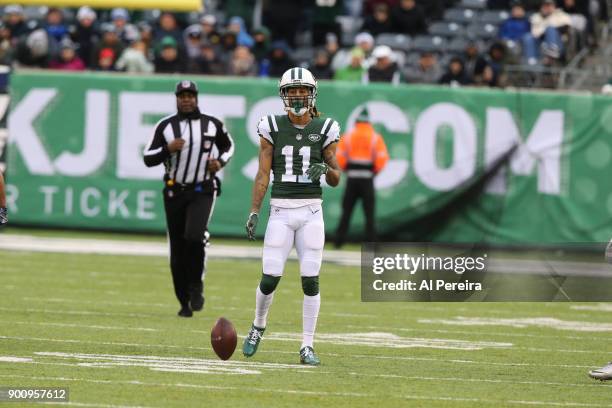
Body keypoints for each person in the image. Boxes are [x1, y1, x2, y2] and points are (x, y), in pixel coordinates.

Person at [243, 67, 341, 365]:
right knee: (270, 278)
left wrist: (326, 169)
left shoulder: (326, 128)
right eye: (292, 91)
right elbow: (262, 174)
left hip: (312, 212)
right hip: (281, 212)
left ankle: (307, 345)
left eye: (302, 91)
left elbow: (337, 177)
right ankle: (258, 325)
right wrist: (255, 210)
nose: (297, 96)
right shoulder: (270, 126)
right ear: (283, 94)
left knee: (310, 280)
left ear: (312, 94)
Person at [143, 80, 235, 317]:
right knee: (177, 249)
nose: (186, 99)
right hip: (175, 191)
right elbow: (148, 157)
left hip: (203, 188)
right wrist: (168, 149)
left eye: (190, 95)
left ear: (196, 98)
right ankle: (183, 301)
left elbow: (229, 146)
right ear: (176, 98)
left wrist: (220, 162)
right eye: (182, 95)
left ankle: (196, 284)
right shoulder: (165, 126)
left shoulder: (212, 124)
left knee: (194, 235)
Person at [334, 108, 388, 248]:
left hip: (352, 179)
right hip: (367, 180)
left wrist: (347, 169)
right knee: (369, 214)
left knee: (346, 212)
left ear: (357, 122)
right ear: (369, 123)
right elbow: (382, 159)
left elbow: (339, 157)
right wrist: (373, 172)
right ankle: (371, 243)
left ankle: (338, 241)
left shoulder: (348, 136)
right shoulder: (375, 138)